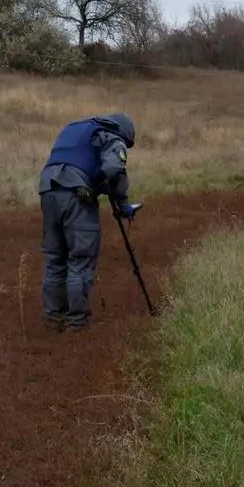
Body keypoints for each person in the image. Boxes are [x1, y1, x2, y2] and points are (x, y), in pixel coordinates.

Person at [37, 113, 140, 332]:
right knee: (80, 259)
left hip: (47, 189)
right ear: (125, 134)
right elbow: (114, 169)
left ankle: (53, 318)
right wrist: (97, 187)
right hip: (76, 195)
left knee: (55, 258)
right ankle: (76, 323)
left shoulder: (76, 128)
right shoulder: (113, 136)